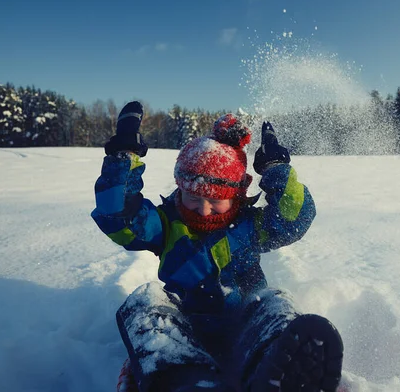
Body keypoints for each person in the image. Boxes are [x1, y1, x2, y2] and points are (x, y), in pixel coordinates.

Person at [91, 102, 344, 392]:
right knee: (144, 299)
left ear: (237, 196)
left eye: (216, 200)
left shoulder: (251, 226)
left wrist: (276, 169)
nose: (204, 210)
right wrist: (124, 156)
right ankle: (185, 380)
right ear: (180, 189)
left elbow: (293, 219)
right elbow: (118, 217)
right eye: (193, 198)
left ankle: (277, 370)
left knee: (275, 301)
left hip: (247, 323)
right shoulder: (164, 225)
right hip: (182, 327)